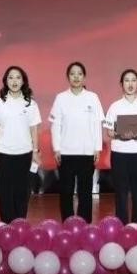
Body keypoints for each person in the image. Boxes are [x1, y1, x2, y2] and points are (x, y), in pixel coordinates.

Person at [50, 62, 105, 222]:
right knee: (66, 191)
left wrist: (97, 148)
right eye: (73, 74)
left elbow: (97, 124)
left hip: (86, 152)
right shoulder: (61, 98)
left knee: (85, 192)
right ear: (68, 77)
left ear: (84, 77)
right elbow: (56, 125)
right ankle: (67, 223)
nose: (76, 77)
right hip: (65, 152)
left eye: (79, 74)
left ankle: (84, 224)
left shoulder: (92, 97)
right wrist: (56, 148)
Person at [0, 66, 42, 223]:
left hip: (24, 154)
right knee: (5, 193)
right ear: (6, 81)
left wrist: (35, 151)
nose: (14, 81)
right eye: (11, 77)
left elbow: (34, 130)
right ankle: (6, 225)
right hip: (4, 153)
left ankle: (20, 225)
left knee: (22, 192)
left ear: (23, 81)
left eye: (18, 77)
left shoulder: (30, 104)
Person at [104, 69, 137, 223]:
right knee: (121, 194)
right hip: (119, 154)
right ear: (121, 84)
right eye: (126, 80)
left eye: (133, 80)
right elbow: (109, 132)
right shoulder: (114, 106)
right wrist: (121, 134)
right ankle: (122, 226)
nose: (130, 84)